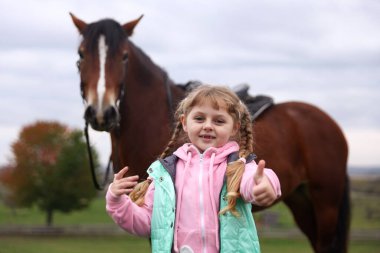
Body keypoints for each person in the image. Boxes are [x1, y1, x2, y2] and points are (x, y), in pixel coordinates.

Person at [106, 84, 281, 253]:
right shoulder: (165, 174)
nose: (208, 126)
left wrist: (264, 184)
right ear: (184, 122)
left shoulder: (238, 166)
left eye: (219, 121)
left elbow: (254, 179)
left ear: (234, 127)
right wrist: (117, 201)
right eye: (199, 118)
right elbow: (146, 224)